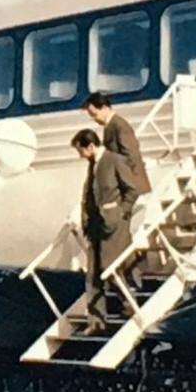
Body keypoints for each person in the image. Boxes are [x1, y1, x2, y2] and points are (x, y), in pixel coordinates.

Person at [71, 128, 140, 330]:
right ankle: (96, 321)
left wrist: (121, 211)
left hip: (113, 224)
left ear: (90, 146)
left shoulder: (114, 160)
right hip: (94, 226)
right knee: (92, 275)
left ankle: (129, 303)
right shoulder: (92, 164)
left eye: (80, 150)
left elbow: (132, 189)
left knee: (109, 268)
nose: (80, 155)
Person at [81, 92, 151, 194]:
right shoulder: (111, 126)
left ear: (104, 107)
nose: (94, 119)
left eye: (94, 114)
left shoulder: (119, 126)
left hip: (132, 188)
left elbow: (131, 155)